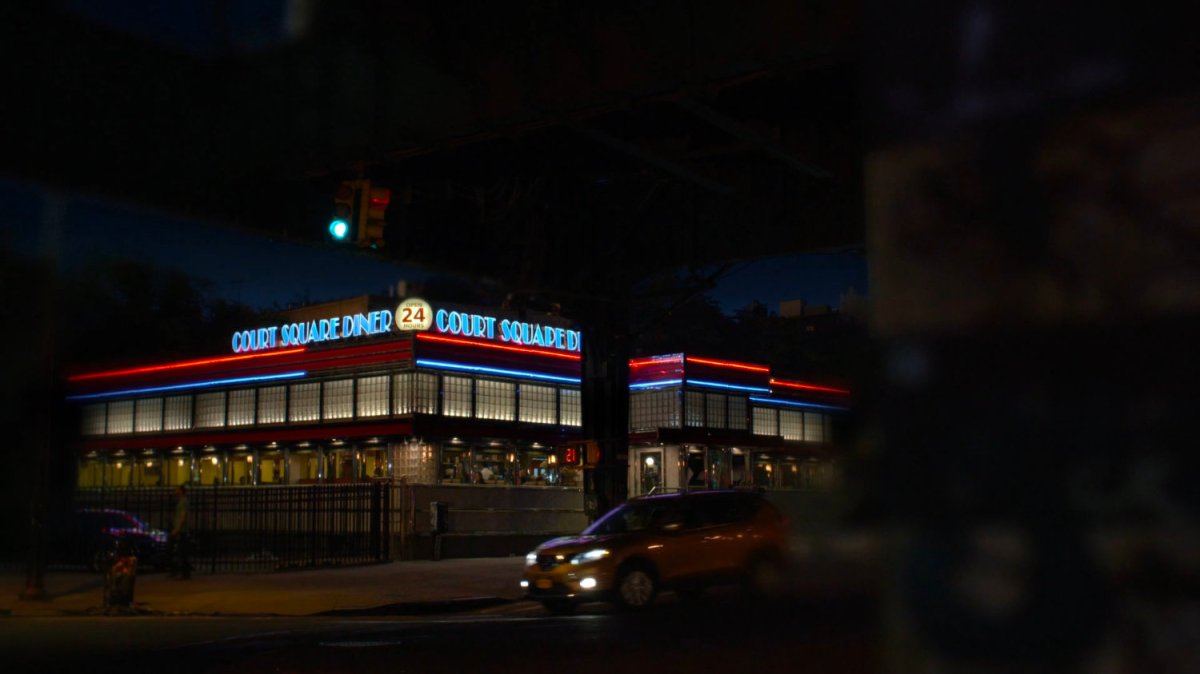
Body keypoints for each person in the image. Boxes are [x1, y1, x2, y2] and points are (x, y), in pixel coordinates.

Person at [170, 484, 191, 580]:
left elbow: (183, 517)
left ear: (181, 491)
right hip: (181, 530)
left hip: (182, 531)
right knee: (181, 552)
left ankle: (184, 573)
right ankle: (183, 572)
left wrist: (177, 529)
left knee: (182, 552)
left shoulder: (183, 502)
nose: (175, 491)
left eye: (177, 489)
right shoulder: (182, 502)